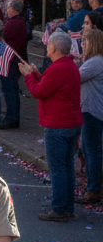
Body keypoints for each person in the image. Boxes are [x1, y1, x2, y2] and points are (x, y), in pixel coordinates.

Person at [20, 31, 83, 222]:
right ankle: (67, 206)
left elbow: (39, 91)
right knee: (67, 167)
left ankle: (59, 208)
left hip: (58, 124)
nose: (46, 49)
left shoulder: (58, 68)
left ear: (54, 48)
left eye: (48, 46)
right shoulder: (68, 65)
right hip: (71, 122)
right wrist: (36, 74)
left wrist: (28, 77)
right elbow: (50, 85)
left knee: (57, 169)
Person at [78, 28, 103, 206]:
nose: (82, 44)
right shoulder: (95, 61)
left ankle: (93, 189)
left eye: (85, 41)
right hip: (91, 109)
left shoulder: (95, 62)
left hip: (92, 110)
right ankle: (91, 186)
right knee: (87, 149)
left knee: (92, 150)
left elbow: (75, 78)